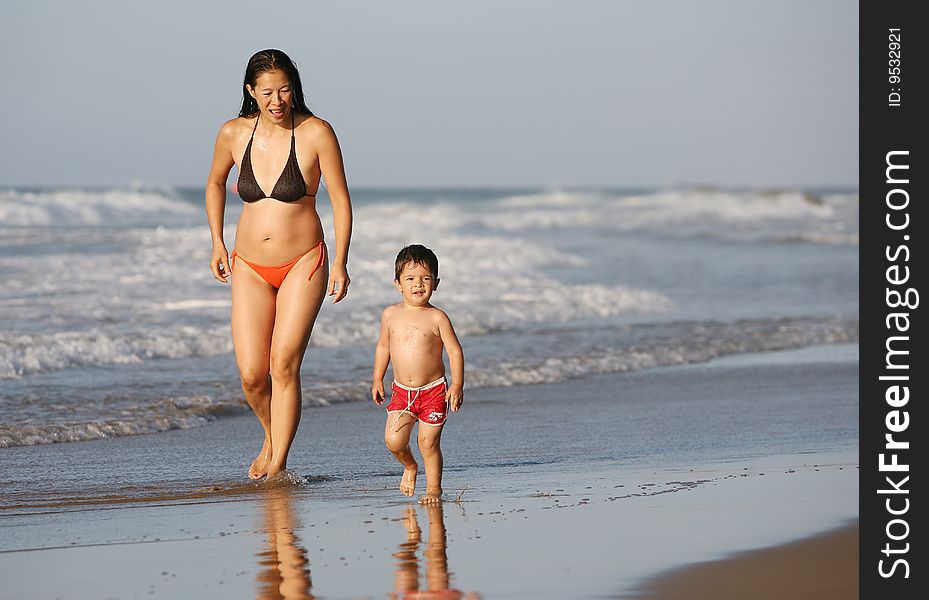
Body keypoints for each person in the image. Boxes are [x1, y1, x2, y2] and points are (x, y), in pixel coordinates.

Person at [205, 49, 352, 480]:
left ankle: (279, 467)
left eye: (284, 90)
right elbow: (214, 183)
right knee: (252, 375)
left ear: (295, 88)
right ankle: (271, 435)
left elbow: (341, 201)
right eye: (267, 91)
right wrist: (216, 240)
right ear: (250, 91)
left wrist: (340, 262)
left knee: (283, 363)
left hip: (304, 261)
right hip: (248, 264)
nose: (277, 100)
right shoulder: (233, 133)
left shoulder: (316, 133)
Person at [372, 245, 464, 504]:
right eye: (410, 279)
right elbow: (382, 347)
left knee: (428, 442)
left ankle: (434, 488)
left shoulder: (438, 317)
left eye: (425, 279)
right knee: (393, 441)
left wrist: (457, 385)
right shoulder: (390, 315)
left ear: (436, 282)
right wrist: (377, 378)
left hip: (434, 391)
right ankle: (410, 466)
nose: (418, 284)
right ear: (398, 283)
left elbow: (455, 351)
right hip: (402, 392)